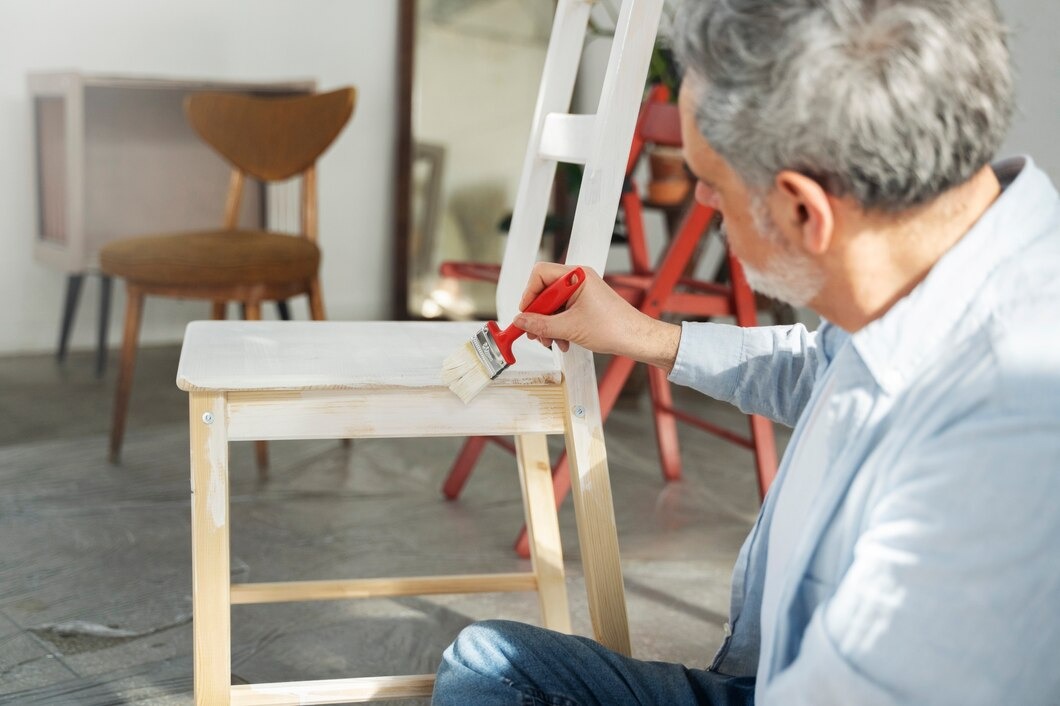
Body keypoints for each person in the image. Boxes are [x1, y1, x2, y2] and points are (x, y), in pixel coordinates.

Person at [432, 0, 1060, 703]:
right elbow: (822, 367)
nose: (700, 199)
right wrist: (639, 333)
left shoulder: (1005, 446)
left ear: (802, 211)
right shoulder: (948, 259)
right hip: (772, 678)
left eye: (713, 182)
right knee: (492, 663)